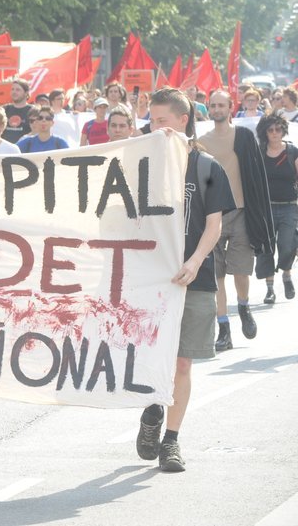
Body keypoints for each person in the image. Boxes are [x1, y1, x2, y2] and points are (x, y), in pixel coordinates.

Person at [135, 88, 233, 472]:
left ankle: (171, 441)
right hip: (149, 279)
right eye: (151, 121)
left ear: (183, 120)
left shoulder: (207, 167)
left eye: (162, 120)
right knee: (150, 358)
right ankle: (152, 411)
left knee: (182, 363)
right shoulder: (141, 163)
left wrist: (195, 261)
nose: (155, 127)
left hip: (194, 276)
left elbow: (214, 225)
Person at [198, 90, 275, 351]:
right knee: (217, 275)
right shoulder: (201, 142)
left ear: (231, 107)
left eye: (221, 105)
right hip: (213, 215)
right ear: (209, 108)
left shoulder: (243, 136)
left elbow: (257, 175)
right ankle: (224, 329)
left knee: (241, 271)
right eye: (213, 105)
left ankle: (243, 305)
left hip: (242, 212)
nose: (217, 109)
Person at [253, 114, 298, 304]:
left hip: (289, 207)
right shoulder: (259, 153)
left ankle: (286, 275)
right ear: (264, 132)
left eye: (278, 129)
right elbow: (253, 180)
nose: (274, 133)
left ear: (283, 130)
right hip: (266, 209)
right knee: (266, 249)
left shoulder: (292, 152)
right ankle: (270, 289)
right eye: (270, 130)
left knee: (287, 245)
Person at [1, 79, 33, 144]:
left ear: (26, 93)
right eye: (12, 89)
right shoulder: (4, 109)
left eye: (18, 90)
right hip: (6, 148)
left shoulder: (33, 110)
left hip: (25, 148)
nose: (14, 92)